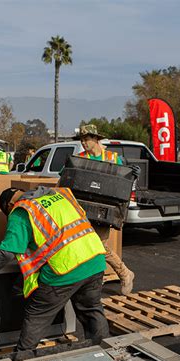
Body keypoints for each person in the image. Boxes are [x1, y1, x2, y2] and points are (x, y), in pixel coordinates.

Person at [0, 186, 109, 359]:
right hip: (95, 259)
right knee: (91, 309)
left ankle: (22, 358)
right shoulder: (59, 196)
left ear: (10, 204)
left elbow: (6, 252)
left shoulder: (21, 211)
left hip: (65, 269)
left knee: (37, 314)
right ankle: (104, 352)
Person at [75, 123, 139, 295]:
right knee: (87, 246)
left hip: (104, 211)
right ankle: (95, 278)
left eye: (87, 139)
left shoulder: (112, 157)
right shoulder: (79, 158)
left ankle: (124, 273)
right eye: (81, 140)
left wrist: (132, 174)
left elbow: (123, 181)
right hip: (83, 209)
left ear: (96, 139)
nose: (83, 143)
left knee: (98, 245)